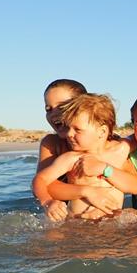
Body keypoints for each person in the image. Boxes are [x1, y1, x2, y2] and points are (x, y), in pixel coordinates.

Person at [32, 93, 137, 219]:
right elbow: (39, 180)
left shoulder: (120, 150)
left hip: (112, 226)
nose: (69, 134)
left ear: (102, 131)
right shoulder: (71, 159)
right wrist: (47, 202)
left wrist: (104, 169)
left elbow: (136, 187)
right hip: (79, 226)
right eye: (68, 127)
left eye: (77, 130)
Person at [33, 79, 87, 220]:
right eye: (48, 109)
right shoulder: (51, 143)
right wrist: (88, 191)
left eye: (62, 106)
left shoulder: (109, 141)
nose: (53, 113)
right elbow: (41, 185)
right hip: (64, 217)